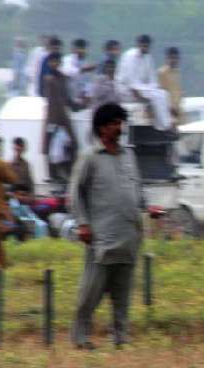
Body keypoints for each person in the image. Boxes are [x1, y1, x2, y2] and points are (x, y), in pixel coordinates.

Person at [69, 104, 143, 348]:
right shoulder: (90, 157)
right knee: (91, 292)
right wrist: (83, 224)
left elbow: (136, 189)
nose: (118, 127)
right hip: (102, 237)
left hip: (128, 235)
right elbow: (75, 192)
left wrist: (146, 208)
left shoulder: (128, 155)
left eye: (120, 122)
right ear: (102, 128)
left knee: (123, 293)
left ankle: (120, 337)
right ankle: (80, 338)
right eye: (114, 123)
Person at [115, 35, 172, 131]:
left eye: (147, 46)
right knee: (155, 96)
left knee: (163, 94)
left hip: (142, 87)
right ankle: (164, 126)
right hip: (125, 89)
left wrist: (155, 88)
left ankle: (164, 125)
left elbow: (152, 79)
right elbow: (129, 80)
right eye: (143, 46)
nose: (145, 48)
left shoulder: (148, 57)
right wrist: (140, 95)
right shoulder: (130, 56)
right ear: (138, 45)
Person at [42, 52, 80, 183]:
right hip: (53, 116)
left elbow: (66, 98)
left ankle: (69, 172)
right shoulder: (48, 79)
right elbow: (51, 100)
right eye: (52, 61)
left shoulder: (63, 78)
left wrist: (78, 105)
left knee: (73, 143)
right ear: (49, 63)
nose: (55, 63)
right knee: (49, 146)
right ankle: (52, 175)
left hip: (63, 116)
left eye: (57, 61)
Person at [0, 136, 20, 268]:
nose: (0, 149)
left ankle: (3, 265)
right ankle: (2, 265)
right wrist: (7, 165)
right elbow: (12, 179)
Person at [61, 38, 95, 105]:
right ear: (74, 49)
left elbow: (88, 82)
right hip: (67, 97)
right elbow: (67, 72)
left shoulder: (87, 63)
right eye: (79, 48)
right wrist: (82, 70)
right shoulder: (67, 59)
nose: (81, 51)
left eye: (83, 48)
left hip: (81, 99)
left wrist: (87, 94)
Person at [157, 47, 183, 125]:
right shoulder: (162, 72)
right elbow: (161, 92)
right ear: (166, 58)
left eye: (176, 58)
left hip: (177, 109)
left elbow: (177, 90)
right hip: (167, 110)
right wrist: (170, 108)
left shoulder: (177, 72)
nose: (173, 60)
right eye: (171, 58)